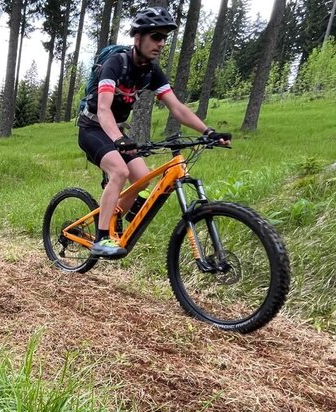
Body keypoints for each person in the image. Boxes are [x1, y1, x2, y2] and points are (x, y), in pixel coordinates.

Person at [78, 6, 230, 258]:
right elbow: (104, 109)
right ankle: (102, 237)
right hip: (93, 126)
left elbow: (177, 108)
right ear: (138, 38)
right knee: (119, 171)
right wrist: (118, 139)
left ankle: (113, 216)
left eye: (164, 39)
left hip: (116, 132)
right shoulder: (116, 63)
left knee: (143, 177)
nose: (161, 44)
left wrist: (208, 131)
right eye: (155, 37)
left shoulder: (151, 71)